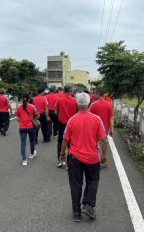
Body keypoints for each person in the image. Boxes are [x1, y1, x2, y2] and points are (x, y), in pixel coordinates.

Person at [59, 92, 108, 222]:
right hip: (92, 158)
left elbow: (65, 139)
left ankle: (76, 212)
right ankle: (88, 205)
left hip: (74, 158)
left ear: (77, 104)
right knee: (93, 181)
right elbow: (103, 139)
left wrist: (62, 154)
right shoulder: (97, 119)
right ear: (89, 104)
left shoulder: (72, 120)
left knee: (75, 184)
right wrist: (105, 155)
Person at [56, 84, 78, 167]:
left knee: (60, 142)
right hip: (72, 124)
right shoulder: (75, 100)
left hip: (62, 124)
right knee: (71, 143)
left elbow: (56, 112)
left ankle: (60, 161)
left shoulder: (59, 100)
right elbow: (77, 113)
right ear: (71, 91)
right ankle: (69, 163)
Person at [16, 93, 39, 166]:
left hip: (22, 127)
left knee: (23, 144)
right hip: (31, 127)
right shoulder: (32, 107)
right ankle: (32, 154)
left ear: (22, 99)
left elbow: (18, 119)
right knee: (32, 141)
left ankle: (24, 160)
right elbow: (38, 115)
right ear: (29, 99)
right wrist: (32, 118)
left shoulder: (19, 108)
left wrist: (23, 119)